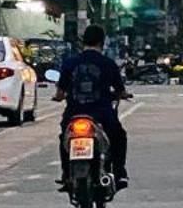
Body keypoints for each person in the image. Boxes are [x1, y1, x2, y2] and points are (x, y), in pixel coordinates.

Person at [55, 25, 130, 189]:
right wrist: (122, 95)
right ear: (102, 42)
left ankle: (67, 174)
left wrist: (58, 98)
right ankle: (119, 173)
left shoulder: (70, 63)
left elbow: (60, 93)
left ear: (83, 41)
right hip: (101, 114)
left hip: (74, 113)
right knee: (118, 137)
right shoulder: (108, 63)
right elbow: (120, 90)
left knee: (64, 138)